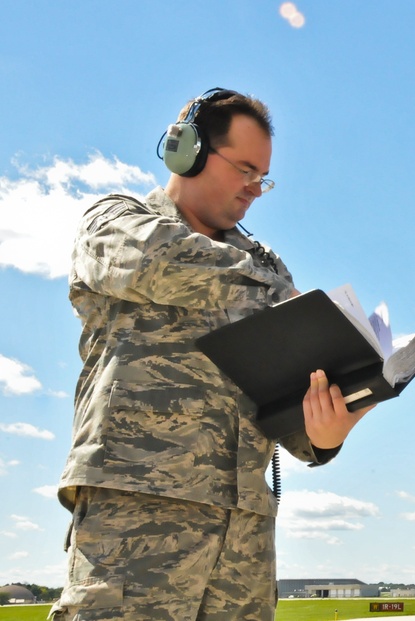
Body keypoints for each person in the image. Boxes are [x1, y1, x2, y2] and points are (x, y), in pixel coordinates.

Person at [51, 88, 371, 621]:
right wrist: (274, 293)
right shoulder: (114, 221)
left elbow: (285, 414)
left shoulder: (265, 268)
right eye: (245, 168)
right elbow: (159, 261)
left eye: (263, 176)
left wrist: (327, 433)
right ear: (188, 151)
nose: (256, 189)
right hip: (138, 521)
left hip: (243, 539)